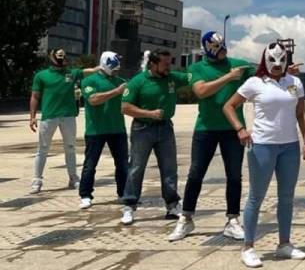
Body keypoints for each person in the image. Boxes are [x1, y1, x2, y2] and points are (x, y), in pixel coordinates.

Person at [223, 41, 305, 268]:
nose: (277, 64)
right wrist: (240, 129)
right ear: (264, 59)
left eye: (282, 60)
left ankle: (284, 243)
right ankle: (248, 246)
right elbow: (229, 106)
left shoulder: (294, 83)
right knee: (256, 196)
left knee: (286, 197)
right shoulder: (254, 83)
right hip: (262, 146)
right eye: (272, 60)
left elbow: (301, 114)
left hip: (289, 146)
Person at [168, 32, 255, 242]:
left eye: (224, 46)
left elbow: (262, 74)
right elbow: (201, 91)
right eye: (218, 47)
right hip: (205, 128)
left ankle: (232, 220)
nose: (223, 50)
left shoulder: (239, 65)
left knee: (234, 175)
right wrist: (228, 77)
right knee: (196, 173)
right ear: (209, 48)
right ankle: (186, 218)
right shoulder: (196, 68)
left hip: (233, 129)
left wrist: (286, 70)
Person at [120, 49, 190, 225]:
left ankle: (172, 205)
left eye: (170, 63)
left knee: (169, 168)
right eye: (165, 64)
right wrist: (148, 113)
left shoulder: (172, 78)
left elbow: (192, 77)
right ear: (152, 64)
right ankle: (129, 205)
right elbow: (125, 107)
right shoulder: (138, 82)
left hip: (166, 128)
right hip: (142, 128)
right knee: (136, 167)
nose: (169, 67)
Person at [29, 49, 100, 193]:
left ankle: (73, 178)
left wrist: (102, 67)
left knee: (70, 147)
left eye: (63, 57)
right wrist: (32, 116)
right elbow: (35, 96)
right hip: (49, 115)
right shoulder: (41, 76)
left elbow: (88, 71)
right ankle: (37, 180)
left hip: (68, 116)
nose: (62, 60)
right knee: (42, 149)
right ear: (52, 58)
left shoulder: (71, 73)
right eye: (59, 57)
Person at [78, 52, 129, 209]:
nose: (116, 73)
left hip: (117, 128)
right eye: (113, 69)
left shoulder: (120, 81)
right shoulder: (89, 80)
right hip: (96, 130)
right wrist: (116, 92)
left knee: (122, 164)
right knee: (90, 164)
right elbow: (93, 99)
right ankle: (85, 195)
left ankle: (124, 193)